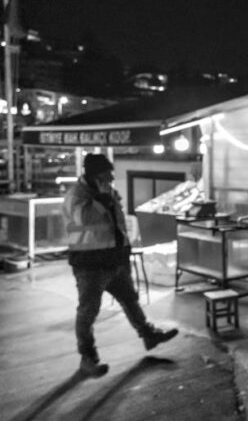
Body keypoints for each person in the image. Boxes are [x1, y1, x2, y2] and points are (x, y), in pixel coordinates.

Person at [62, 153, 178, 377]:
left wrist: (125, 251)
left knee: (130, 299)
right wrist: (102, 199)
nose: (111, 177)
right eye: (106, 173)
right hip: (90, 264)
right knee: (88, 310)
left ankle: (148, 334)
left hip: (114, 260)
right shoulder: (77, 195)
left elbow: (117, 223)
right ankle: (88, 357)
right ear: (95, 175)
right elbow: (83, 220)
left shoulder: (108, 192)